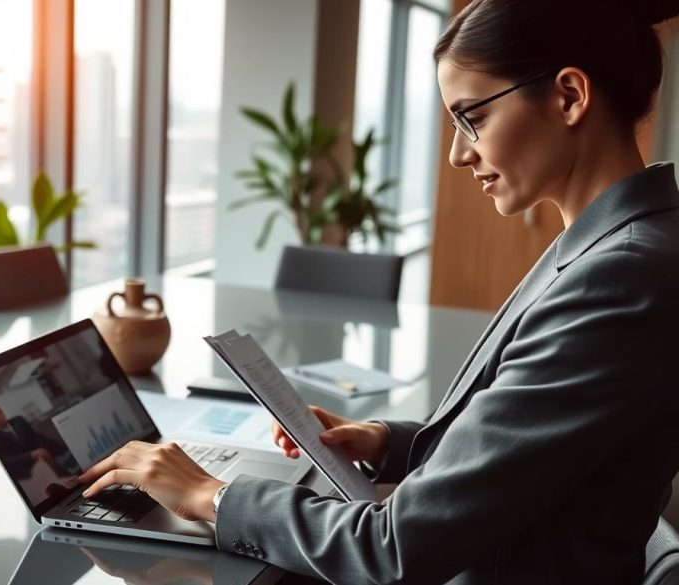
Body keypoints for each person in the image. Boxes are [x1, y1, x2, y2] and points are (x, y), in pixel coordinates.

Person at [79, 0, 679, 582]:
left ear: (569, 96)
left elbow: (393, 551)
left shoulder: (620, 276)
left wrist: (210, 495)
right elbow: (542, 456)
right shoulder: (613, 245)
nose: (457, 153)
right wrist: (387, 443)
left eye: (473, 117)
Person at [0, 399, 69, 481]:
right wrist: (31, 455)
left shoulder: (19, 420)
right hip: (29, 468)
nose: (1, 416)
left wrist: (42, 450)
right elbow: (9, 462)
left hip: (45, 454)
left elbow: (36, 437)